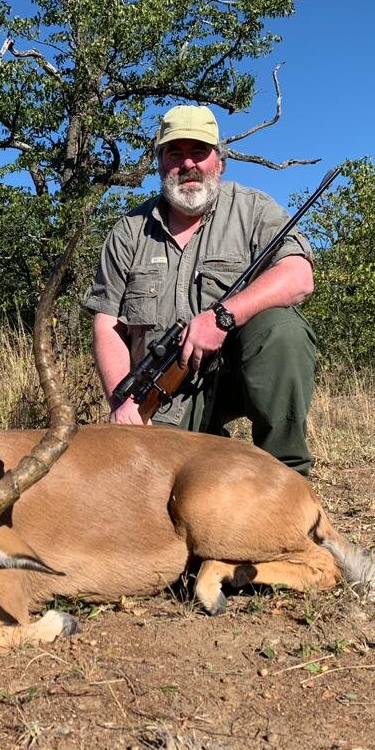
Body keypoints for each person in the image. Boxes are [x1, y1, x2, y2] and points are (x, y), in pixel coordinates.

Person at [83, 104, 318, 476]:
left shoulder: (253, 209)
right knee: (148, 487)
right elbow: (107, 323)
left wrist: (222, 318)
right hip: (165, 392)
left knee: (282, 331)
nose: (187, 164)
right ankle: (207, 440)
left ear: (219, 162)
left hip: (240, 377)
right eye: (174, 153)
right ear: (160, 163)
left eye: (199, 152)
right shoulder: (128, 232)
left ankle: (289, 474)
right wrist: (122, 401)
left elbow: (298, 275)